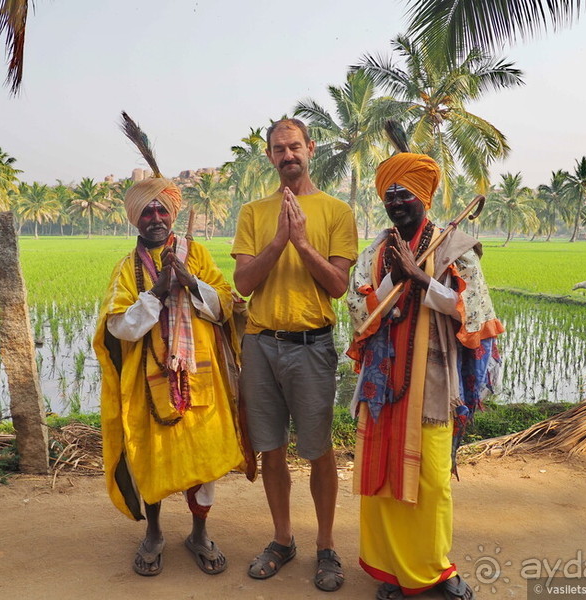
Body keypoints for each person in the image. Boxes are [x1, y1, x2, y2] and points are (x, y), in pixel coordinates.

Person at [346, 153, 504, 600]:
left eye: (405, 194)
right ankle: (391, 571)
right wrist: (388, 282)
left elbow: (472, 312)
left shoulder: (455, 247)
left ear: (424, 198)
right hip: (381, 386)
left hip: (434, 386)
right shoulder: (375, 251)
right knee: (384, 479)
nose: (396, 202)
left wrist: (421, 280)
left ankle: (437, 569)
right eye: (390, 194)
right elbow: (359, 311)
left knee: (431, 482)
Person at [93, 176, 247, 577]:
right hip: (148, 382)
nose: (156, 218)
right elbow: (117, 327)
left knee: (204, 457)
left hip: (202, 377)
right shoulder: (127, 269)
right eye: (147, 211)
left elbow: (226, 305)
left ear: (172, 213)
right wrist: (159, 289)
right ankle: (155, 533)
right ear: (136, 220)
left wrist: (190, 281)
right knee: (153, 457)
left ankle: (199, 534)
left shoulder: (195, 254)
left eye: (162, 210)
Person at [231, 118, 358, 592]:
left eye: (294, 147)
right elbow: (243, 284)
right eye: (278, 149)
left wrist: (302, 241)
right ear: (269, 156)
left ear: (311, 148)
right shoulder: (253, 212)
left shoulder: (336, 212)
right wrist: (279, 240)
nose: (288, 155)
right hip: (261, 345)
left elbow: (340, 286)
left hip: (312, 346)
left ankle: (326, 545)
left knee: (319, 449)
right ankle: (283, 540)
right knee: (270, 449)